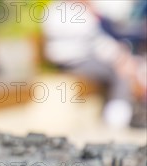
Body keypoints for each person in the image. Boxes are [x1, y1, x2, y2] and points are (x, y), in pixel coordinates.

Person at [42, 0, 146, 129]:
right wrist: (119, 57)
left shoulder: (60, 8)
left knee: (123, 66)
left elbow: (96, 39)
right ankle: (118, 118)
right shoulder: (70, 10)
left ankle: (126, 111)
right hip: (73, 60)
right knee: (119, 72)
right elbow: (94, 40)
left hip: (76, 58)